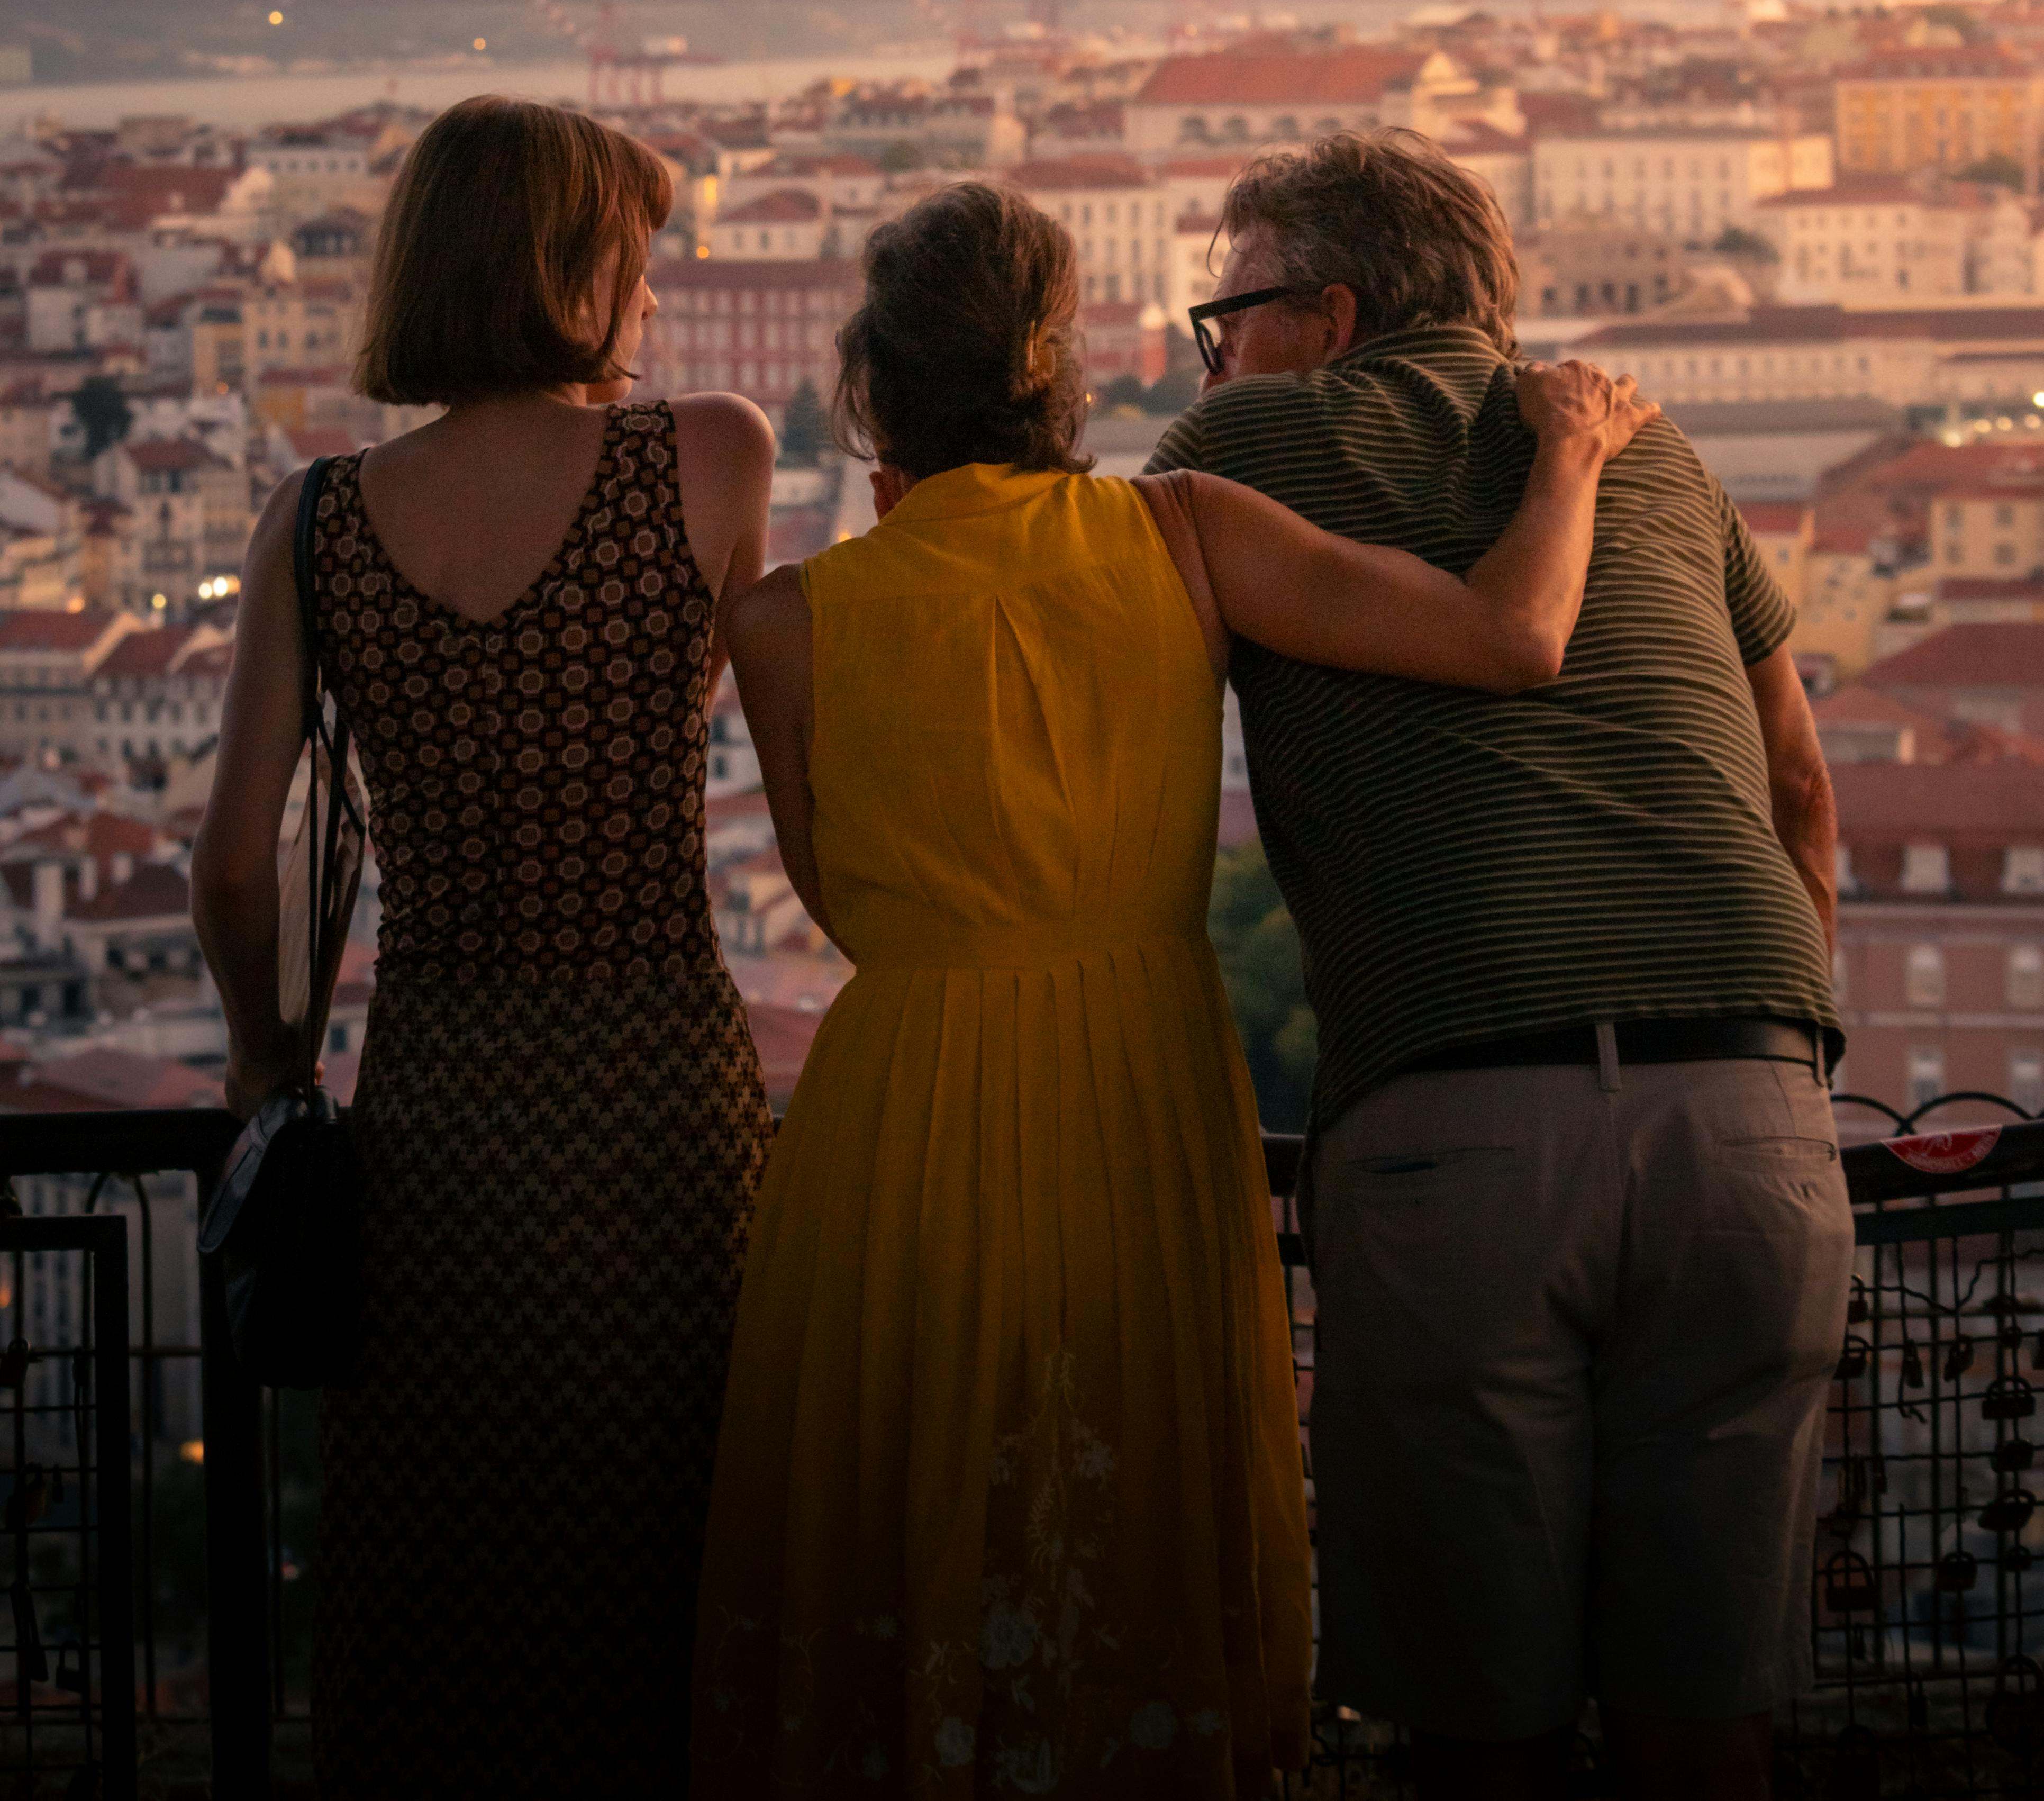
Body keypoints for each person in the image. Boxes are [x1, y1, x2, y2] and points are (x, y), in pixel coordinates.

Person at [688, 179, 1652, 1801]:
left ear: (875, 388)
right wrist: (1571, 452)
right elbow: (1512, 636)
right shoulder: (1181, 531)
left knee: (910, 1503)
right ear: (1057, 366)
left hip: (900, 1103)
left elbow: (838, 893)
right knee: (1128, 1509)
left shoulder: (786, 620)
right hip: (1136, 1083)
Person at [1148, 130, 1854, 1801]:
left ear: (1322, 314)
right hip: (1748, 1106)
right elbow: (1804, 792)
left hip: (1462, 1121)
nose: (1211, 351)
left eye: (1223, 312)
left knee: (1487, 1733)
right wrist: (1781, 1067)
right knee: (1709, 1726)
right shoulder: (1654, 454)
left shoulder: (1241, 443)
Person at [192, 96, 776, 1800]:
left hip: (438, 1115)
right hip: (662, 1100)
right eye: (636, 261)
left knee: (457, 1594)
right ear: (565, 267)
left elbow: (236, 864)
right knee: (676, 1571)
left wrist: (266, 1064)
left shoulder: (316, 523)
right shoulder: (714, 456)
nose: (655, 302)